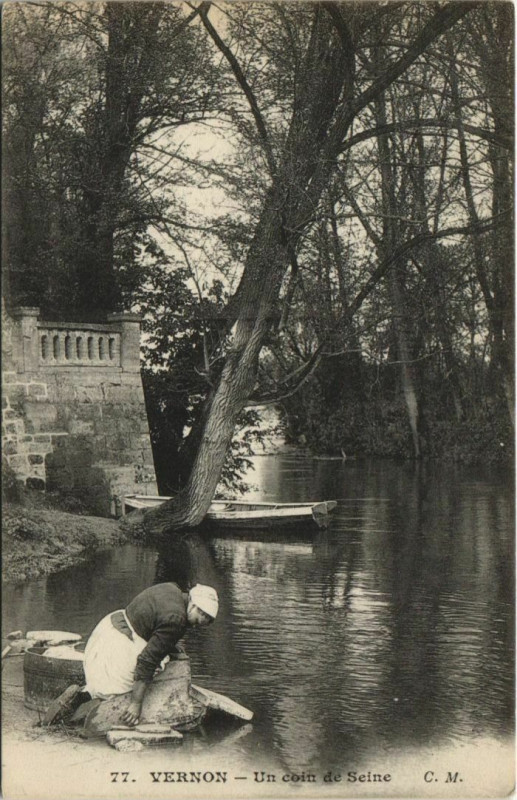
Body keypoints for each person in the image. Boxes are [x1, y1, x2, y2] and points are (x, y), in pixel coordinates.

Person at [45, 583, 218, 727]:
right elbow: (146, 661)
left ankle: (81, 697)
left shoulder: (172, 589)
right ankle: (91, 706)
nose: (196, 626)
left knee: (107, 683)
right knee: (130, 684)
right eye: (199, 619)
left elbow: (156, 622)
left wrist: (168, 645)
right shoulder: (177, 619)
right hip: (120, 645)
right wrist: (136, 704)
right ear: (195, 606)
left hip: (110, 628)